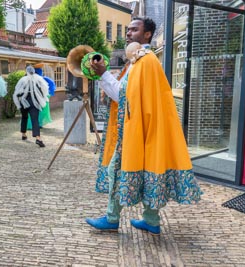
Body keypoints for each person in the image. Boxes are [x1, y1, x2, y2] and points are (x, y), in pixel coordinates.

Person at [85, 17, 203, 235]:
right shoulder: (141, 60)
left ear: (147, 34)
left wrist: (102, 74)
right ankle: (151, 220)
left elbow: (124, 96)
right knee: (151, 169)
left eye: (134, 29)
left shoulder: (143, 61)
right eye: (128, 29)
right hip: (146, 128)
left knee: (116, 170)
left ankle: (112, 219)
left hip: (136, 129)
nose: (128, 33)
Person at [13, 65, 49, 147]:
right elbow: (44, 89)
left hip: (24, 102)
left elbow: (17, 92)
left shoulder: (22, 80)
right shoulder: (38, 79)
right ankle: (38, 138)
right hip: (35, 102)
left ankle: (23, 134)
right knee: (35, 119)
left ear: (26, 71)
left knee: (24, 117)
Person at [26, 64, 56, 129]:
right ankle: (38, 124)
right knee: (40, 111)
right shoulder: (43, 79)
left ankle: (37, 124)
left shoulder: (34, 78)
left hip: (37, 97)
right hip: (39, 97)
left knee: (37, 111)